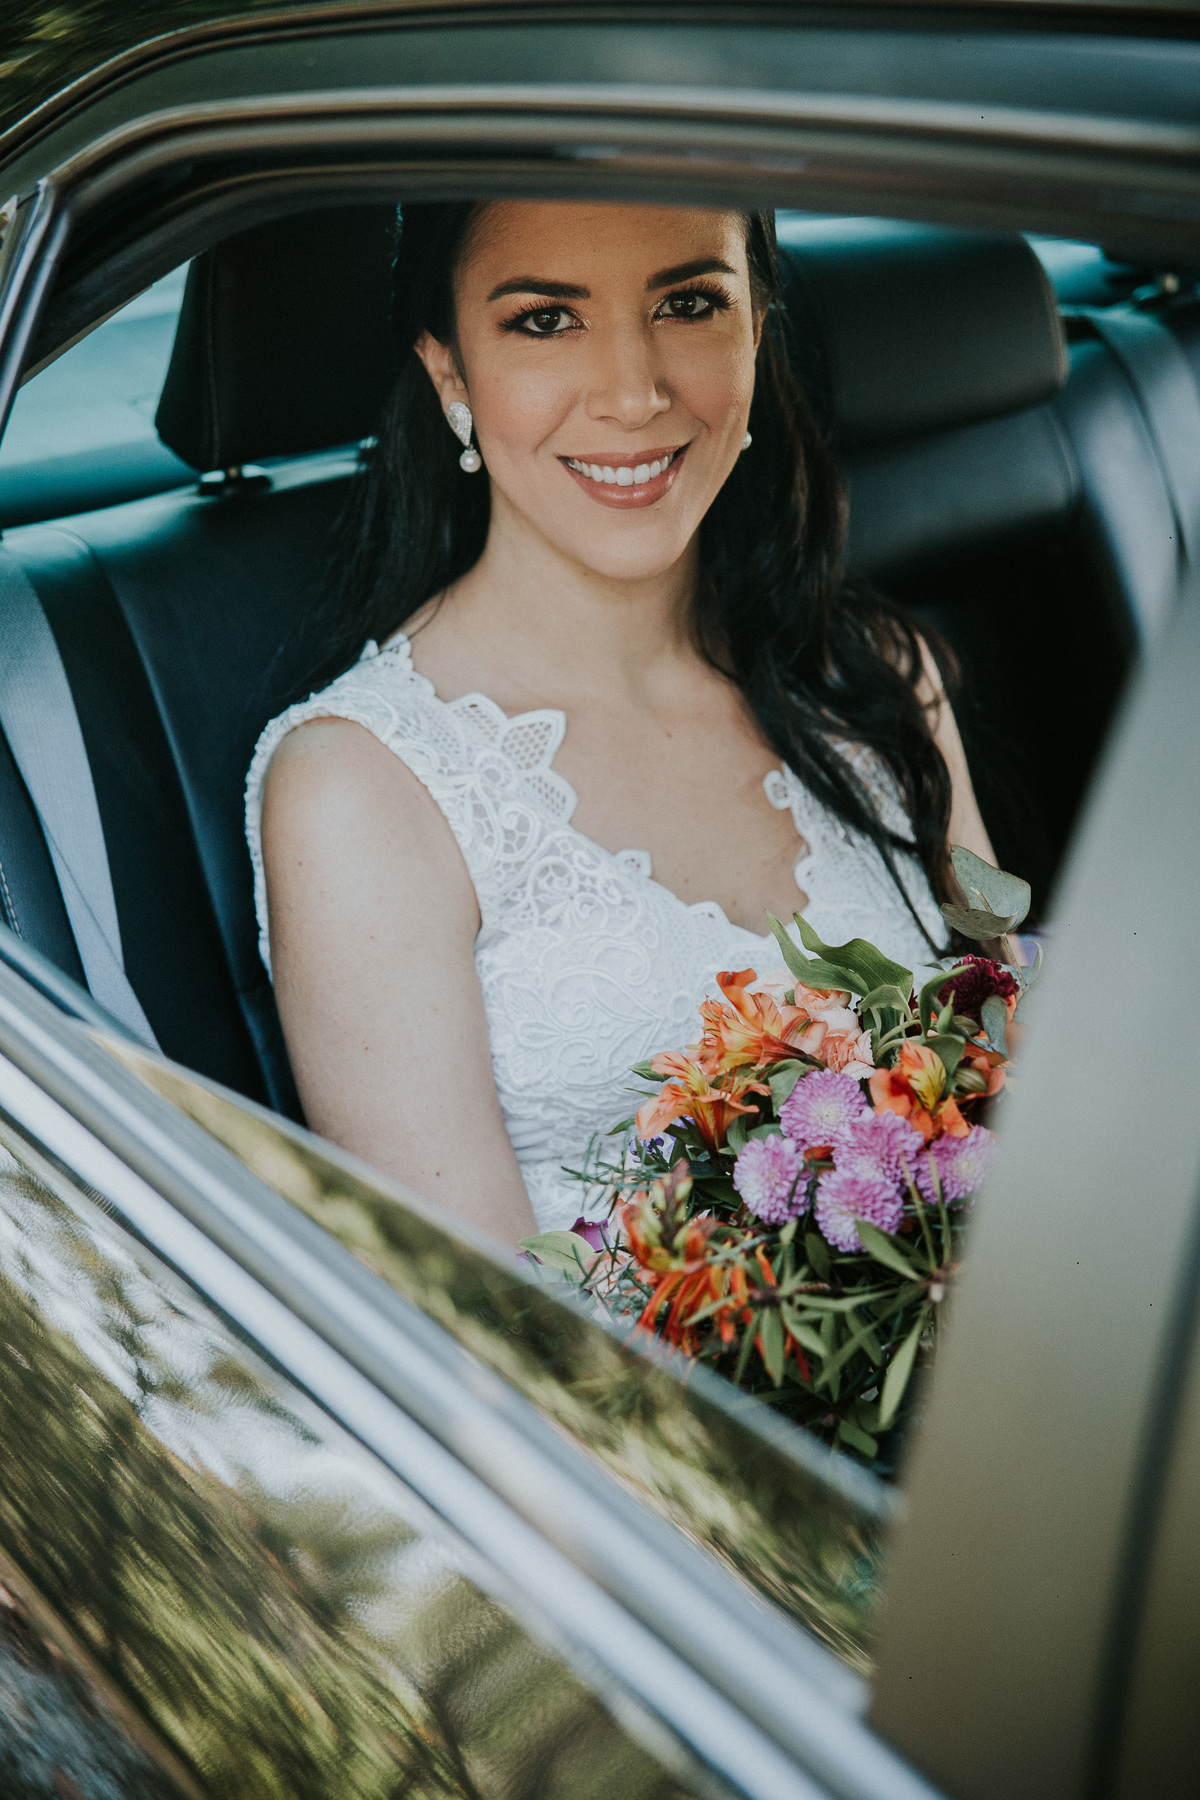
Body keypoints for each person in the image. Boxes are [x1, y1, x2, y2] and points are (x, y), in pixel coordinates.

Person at [246, 201, 993, 1247]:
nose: (635, 394)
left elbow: (1018, 1080)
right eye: (546, 321)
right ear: (449, 373)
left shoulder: (876, 679)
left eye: (689, 304)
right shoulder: (363, 791)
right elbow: (484, 1348)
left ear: (758, 330)